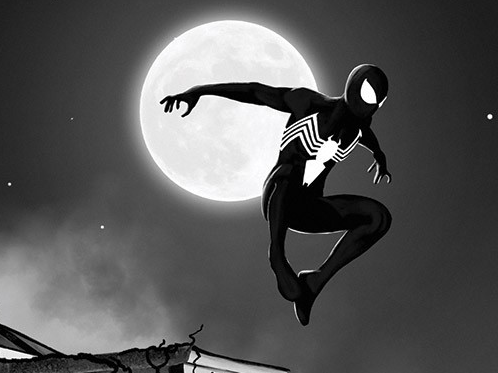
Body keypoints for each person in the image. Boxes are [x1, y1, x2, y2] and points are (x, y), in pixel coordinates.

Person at [162, 64, 392, 325]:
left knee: (378, 218)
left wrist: (379, 156)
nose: (370, 106)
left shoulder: (359, 131)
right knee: (288, 172)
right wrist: (199, 90)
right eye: (367, 94)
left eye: (377, 101)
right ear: (354, 86)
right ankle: (277, 255)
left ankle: (315, 281)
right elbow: (255, 91)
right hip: (278, 195)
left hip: (308, 209)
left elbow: (370, 139)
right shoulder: (307, 103)